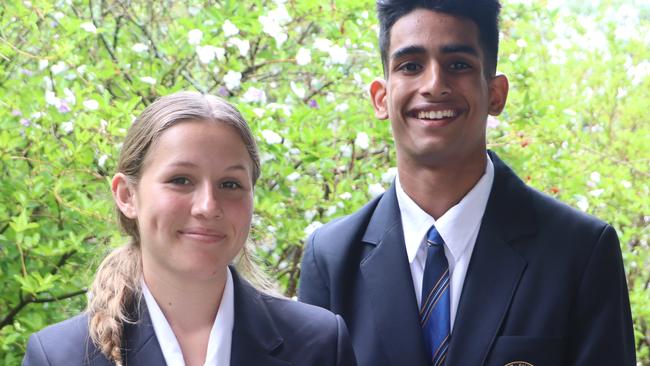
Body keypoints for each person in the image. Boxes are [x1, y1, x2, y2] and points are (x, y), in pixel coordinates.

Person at [298, 1, 636, 365]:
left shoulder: (580, 252)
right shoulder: (331, 258)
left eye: (458, 65)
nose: (433, 85)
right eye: (411, 66)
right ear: (381, 97)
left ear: (496, 93)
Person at [23, 92, 357, 366]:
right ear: (127, 196)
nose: (208, 206)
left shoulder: (320, 343)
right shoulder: (59, 356)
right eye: (181, 180)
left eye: (230, 183)